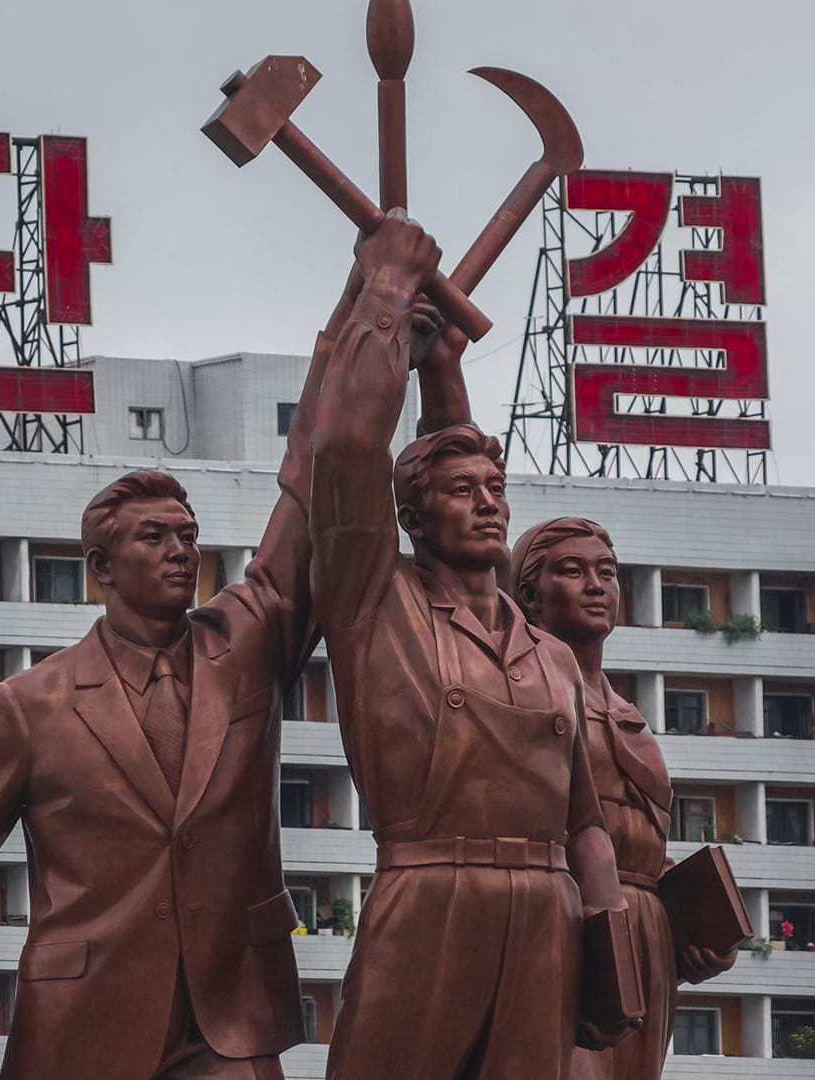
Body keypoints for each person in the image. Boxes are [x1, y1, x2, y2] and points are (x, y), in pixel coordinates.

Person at [0, 255, 380, 1080]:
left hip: (230, 1023)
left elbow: (312, 491)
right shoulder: (29, 706)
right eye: (156, 539)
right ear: (100, 568)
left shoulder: (245, 645)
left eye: (187, 536)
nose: (181, 552)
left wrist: (366, 317)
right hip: (86, 1027)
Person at [310, 211, 638, 1080]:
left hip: (544, 911)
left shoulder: (551, 656)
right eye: (462, 491)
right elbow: (345, 450)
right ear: (411, 518)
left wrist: (612, 940)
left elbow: (586, 825)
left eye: (496, 487)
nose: (490, 502)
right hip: (428, 893)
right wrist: (385, 289)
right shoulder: (375, 605)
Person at [509, 517, 738, 1079]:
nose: (596, 584)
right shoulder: (520, 694)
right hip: (567, 921)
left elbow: (639, 843)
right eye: (572, 570)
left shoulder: (626, 711)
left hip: (646, 940)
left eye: (606, 573)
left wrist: (699, 932)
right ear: (528, 593)